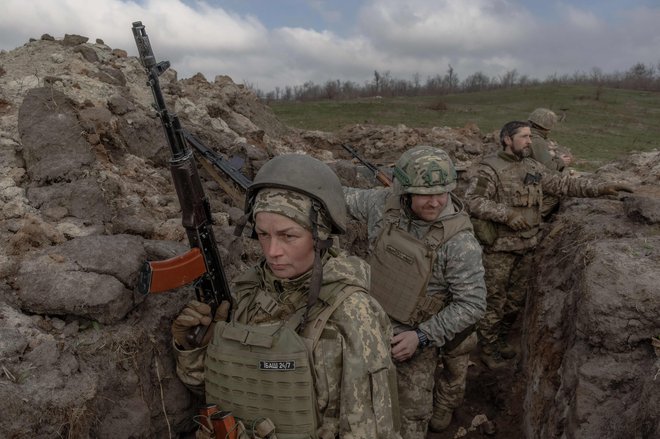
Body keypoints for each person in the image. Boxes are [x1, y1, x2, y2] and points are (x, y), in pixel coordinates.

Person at [172, 154, 401, 439]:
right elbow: (219, 393)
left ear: (320, 236)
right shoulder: (247, 294)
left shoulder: (353, 313)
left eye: (288, 236)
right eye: (263, 235)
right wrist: (194, 346)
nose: (272, 251)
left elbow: (371, 431)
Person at [464, 120, 634, 370]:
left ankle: (499, 341)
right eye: (523, 137)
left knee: (514, 302)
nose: (529, 141)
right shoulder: (489, 169)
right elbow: (473, 200)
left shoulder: (532, 166)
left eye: (531, 137)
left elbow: (564, 185)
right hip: (498, 250)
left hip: (527, 246)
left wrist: (601, 188)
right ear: (507, 140)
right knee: (494, 303)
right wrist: (507, 214)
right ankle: (489, 351)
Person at [344, 145, 487, 438]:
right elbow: (338, 198)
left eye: (442, 193)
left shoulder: (460, 243)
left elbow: (471, 304)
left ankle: (445, 404)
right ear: (406, 192)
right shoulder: (383, 204)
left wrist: (421, 337)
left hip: (419, 335)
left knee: (412, 416)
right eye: (424, 194)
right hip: (373, 321)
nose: (435, 203)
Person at [528, 107, 573, 217]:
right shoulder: (537, 141)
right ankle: (534, 217)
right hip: (528, 178)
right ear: (547, 127)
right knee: (558, 191)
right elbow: (549, 168)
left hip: (519, 173)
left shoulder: (523, 133)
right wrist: (561, 161)